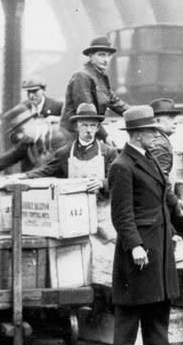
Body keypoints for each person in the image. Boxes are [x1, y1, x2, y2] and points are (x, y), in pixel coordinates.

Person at [109, 105, 183, 345]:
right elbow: (122, 214)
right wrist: (134, 246)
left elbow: (162, 188)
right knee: (131, 302)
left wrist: (175, 204)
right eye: (150, 131)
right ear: (138, 134)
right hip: (141, 244)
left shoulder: (148, 158)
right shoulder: (121, 166)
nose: (155, 136)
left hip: (159, 240)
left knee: (159, 299)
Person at [25, 102, 118, 243]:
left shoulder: (108, 152)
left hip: (101, 215)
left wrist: (101, 183)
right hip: (74, 214)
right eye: (84, 125)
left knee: (106, 253)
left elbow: (117, 179)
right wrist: (24, 177)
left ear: (98, 128)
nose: (88, 130)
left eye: (92, 125)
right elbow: (46, 171)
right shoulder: (65, 153)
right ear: (76, 127)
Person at [0, 103, 67, 180]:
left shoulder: (58, 136)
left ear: (31, 122)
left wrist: (23, 176)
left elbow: (52, 168)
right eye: (16, 133)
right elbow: (7, 158)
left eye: (20, 130)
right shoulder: (28, 142)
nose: (19, 136)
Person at [61, 36, 130, 142]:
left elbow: (114, 101)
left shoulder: (100, 76)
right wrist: (105, 136)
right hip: (73, 135)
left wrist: (138, 114)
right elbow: (87, 113)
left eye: (108, 56)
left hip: (88, 132)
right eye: (101, 55)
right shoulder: (82, 77)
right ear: (90, 56)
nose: (106, 60)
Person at [143, 98, 180, 177]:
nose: (176, 122)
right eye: (170, 118)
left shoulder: (156, 140)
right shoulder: (159, 145)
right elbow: (159, 181)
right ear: (156, 121)